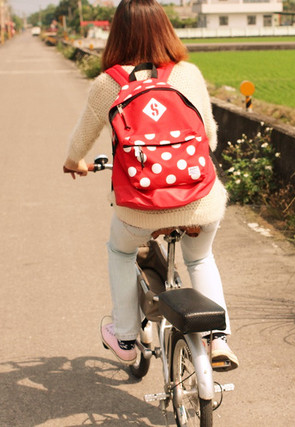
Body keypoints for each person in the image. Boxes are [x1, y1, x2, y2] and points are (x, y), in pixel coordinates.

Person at [63, 0, 238, 371]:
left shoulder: (108, 83)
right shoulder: (188, 74)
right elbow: (209, 138)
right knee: (200, 256)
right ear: (165, 29)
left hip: (138, 209)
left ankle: (126, 336)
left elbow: (79, 144)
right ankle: (218, 339)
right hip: (199, 201)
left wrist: (75, 164)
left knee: (121, 252)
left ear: (117, 33)